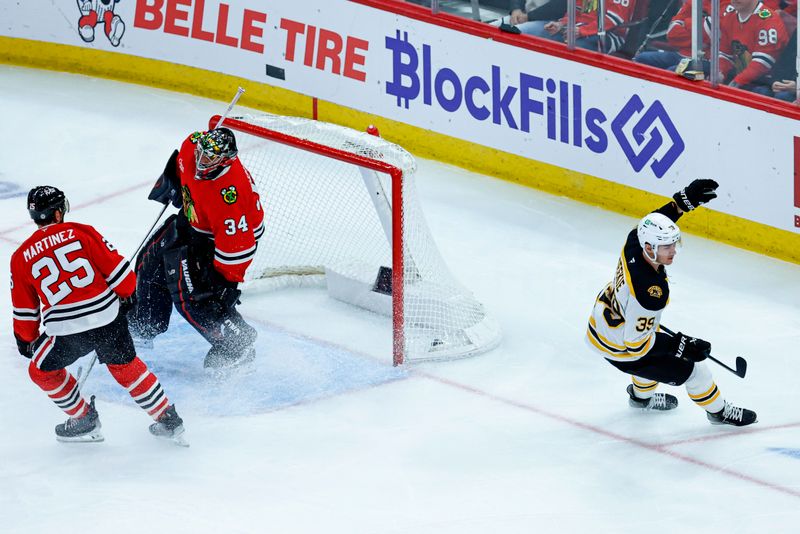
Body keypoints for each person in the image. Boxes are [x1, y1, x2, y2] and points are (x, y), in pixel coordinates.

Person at [10, 186, 185, 442]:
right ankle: (168, 418)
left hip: (67, 333)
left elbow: (26, 315)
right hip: (106, 318)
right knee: (125, 367)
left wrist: (25, 339)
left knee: (40, 371)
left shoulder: (20, 257)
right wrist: (127, 296)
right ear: (58, 213)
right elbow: (123, 280)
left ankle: (83, 419)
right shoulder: (81, 232)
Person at [585, 179, 757, 426]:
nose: (673, 251)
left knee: (649, 357)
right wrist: (681, 346)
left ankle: (640, 399)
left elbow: (651, 220)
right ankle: (719, 412)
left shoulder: (635, 243)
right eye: (666, 246)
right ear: (650, 247)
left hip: (604, 323)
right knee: (697, 372)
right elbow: (636, 346)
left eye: (674, 244)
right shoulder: (650, 293)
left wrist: (682, 202)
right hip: (620, 346)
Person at [128, 127, 264, 369]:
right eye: (202, 153)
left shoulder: (229, 198)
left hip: (218, 243)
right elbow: (183, 161)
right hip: (192, 221)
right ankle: (144, 325)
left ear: (226, 160)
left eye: (210, 158)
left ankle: (236, 344)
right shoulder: (193, 144)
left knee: (194, 297)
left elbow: (239, 248)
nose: (201, 161)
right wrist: (177, 184)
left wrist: (223, 283)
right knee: (149, 262)